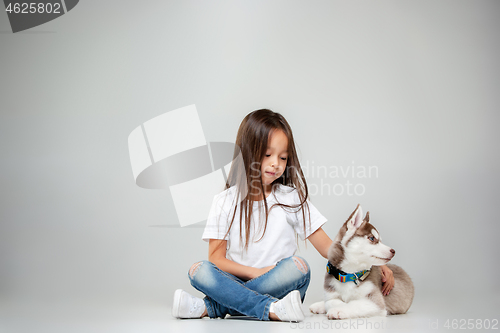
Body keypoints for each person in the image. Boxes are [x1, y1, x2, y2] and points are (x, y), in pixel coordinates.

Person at [172, 109, 394, 322]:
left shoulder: (291, 198)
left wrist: (371, 260)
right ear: (247, 151)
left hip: (279, 286)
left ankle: (212, 307)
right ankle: (270, 309)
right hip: (238, 282)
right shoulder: (225, 201)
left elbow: (330, 248)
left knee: (299, 267)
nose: (275, 164)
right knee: (199, 270)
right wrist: (256, 272)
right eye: (267, 154)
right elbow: (216, 259)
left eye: (283, 157)